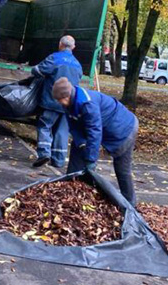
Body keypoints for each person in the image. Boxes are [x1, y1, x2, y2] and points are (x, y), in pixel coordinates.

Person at [52, 77, 139, 205]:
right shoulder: (68, 103)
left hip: (124, 129)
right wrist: (81, 143)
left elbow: (95, 132)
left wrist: (91, 160)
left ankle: (130, 204)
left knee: (122, 168)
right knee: (77, 148)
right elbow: (73, 126)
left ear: (67, 95)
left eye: (60, 100)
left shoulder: (87, 104)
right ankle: (70, 189)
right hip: (103, 128)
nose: (60, 103)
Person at [30, 36, 83, 168]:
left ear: (60, 44)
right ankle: (58, 160)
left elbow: (37, 71)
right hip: (68, 104)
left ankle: (44, 153)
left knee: (45, 126)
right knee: (62, 131)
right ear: (73, 47)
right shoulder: (77, 64)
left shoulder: (55, 58)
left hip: (51, 101)